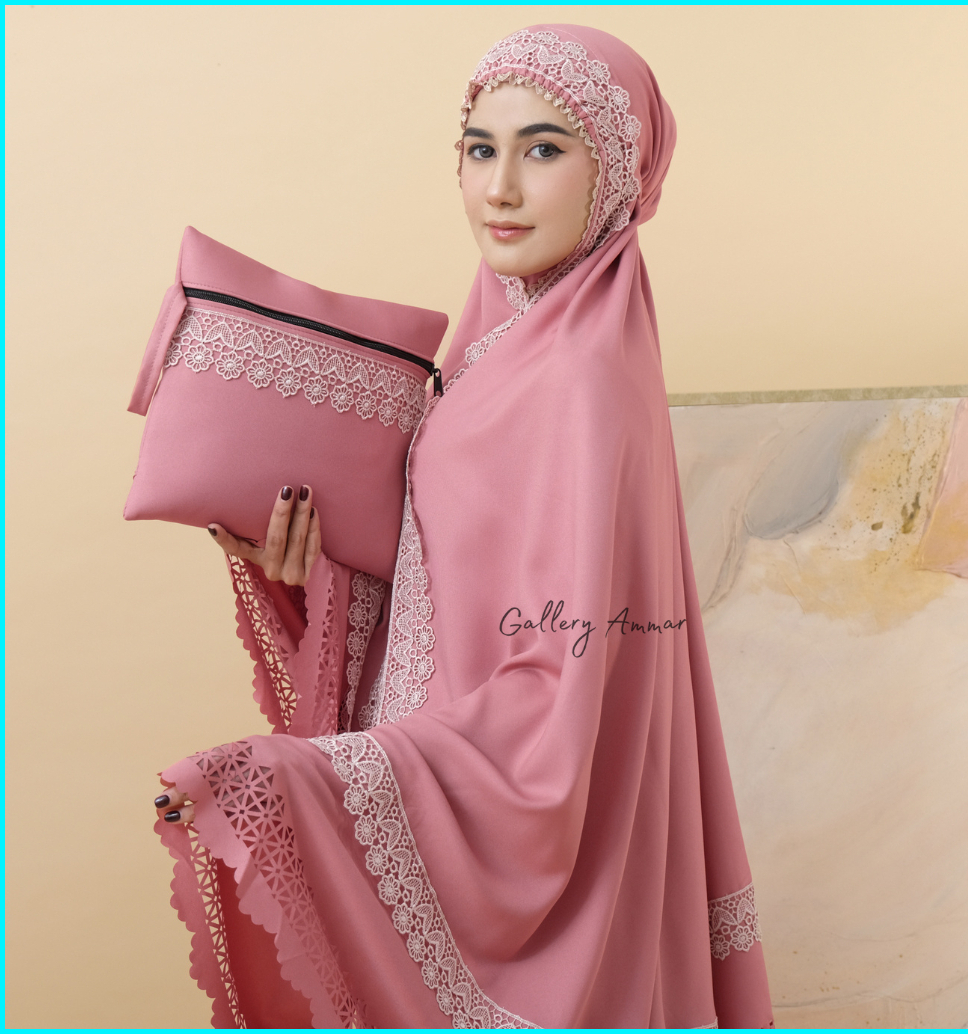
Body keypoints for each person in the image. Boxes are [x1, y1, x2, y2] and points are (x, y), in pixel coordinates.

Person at [153, 24, 774, 1028]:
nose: (500, 189)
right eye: (479, 150)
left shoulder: (579, 379)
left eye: (543, 149)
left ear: (616, 175)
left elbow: (556, 688)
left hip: (528, 848)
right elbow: (452, 591)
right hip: (449, 754)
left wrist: (311, 777)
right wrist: (310, 574)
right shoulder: (504, 346)